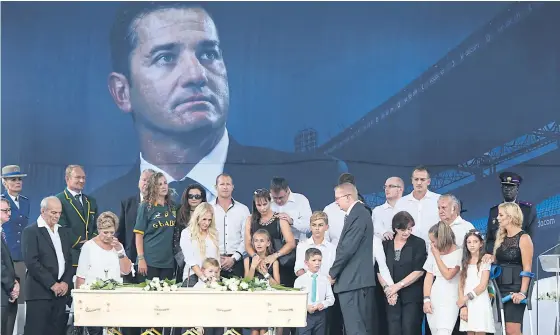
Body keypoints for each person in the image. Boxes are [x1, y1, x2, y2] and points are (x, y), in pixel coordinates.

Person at [94, 1, 344, 213]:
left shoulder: (315, 181)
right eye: (166, 58)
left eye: (208, 54)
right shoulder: (99, 208)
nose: (196, 74)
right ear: (122, 92)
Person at [329, 182, 376, 335]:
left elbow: (347, 248)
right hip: (354, 282)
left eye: (338, 198)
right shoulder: (359, 213)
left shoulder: (359, 214)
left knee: (356, 329)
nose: (336, 202)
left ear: (348, 197)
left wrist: (333, 273)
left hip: (354, 282)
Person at [76, 212, 133, 335]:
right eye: (105, 232)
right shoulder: (88, 246)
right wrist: (79, 303)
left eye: (112, 233)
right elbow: (81, 275)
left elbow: (126, 270)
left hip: (114, 298)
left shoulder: (118, 246)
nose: (108, 236)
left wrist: (120, 251)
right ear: (99, 230)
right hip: (93, 299)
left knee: (113, 332)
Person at [22, 196, 73, 335]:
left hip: (61, 295)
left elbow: (69, 260)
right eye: (53, 212)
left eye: (59, 213)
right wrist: (52, 284)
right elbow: (32, 262)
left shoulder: (63, 231)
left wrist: (65, 283)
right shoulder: (31, 231)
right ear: (42, 211)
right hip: (39, 294)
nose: (57, 216)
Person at [378, 211, 427, 335]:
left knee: (409, 328)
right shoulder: (385, 244)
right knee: (393, 329)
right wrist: (388, 290)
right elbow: (379, 270)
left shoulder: (418, 243)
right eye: (403, 229)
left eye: (410, 229)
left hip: (411, 296)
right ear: (395, 228)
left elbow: (419, 271)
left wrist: (397, 286)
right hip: (391, 297)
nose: (407, 232)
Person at [492, 202, 533, 335]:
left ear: (510, 217)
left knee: (512, 330)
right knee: (504, 328)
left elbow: (527, 267)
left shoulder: (524, 238)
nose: (497, 218)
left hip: (515, 288)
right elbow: (498, 260)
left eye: (501, 215)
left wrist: (522, 293)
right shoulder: (500, 238)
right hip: (499, 287)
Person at [245, 189, 296, 286]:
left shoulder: (280, 219)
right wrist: (256, 258)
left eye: (265, 204)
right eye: (259, 205)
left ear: (270, 201)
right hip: (258, 265)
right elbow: (247, 243)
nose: (262, 208)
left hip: (279, 264)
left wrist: (274, 256)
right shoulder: (250, 220)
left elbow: (291, 243)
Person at [134, 172, 176, 282]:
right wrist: (141, 258)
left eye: (165, 183)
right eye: (159, 184)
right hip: (150, 260)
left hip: (168, 262)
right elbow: (138, 234)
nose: (163, 186)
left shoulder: (172, 206)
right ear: (153, 187)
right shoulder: (146, 206)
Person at [56, 165, 98, 272]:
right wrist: (80, 243)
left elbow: (98, 225)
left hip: (92, 257)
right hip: (70, 256)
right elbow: (61, 227)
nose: (82, 180)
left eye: (83, 178)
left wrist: (91, 242)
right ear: (67, 179)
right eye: (78, 177)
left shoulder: (91, 201)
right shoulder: (58, 200)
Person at [423, 222, 462, 335]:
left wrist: (437, 256)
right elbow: (429, 276)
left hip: (451, 296)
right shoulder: (433, 251)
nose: (432, 244)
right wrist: (426, 299)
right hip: (435, 294)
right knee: (435, 330)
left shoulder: (459, 253)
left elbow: (448, 275)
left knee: (444, 330)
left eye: (433, 241)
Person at [485, 171, 536, 254]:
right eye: (505, 186)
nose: (507, 189)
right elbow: (490, 240)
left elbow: (531, 239)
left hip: (518, 261)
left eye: (511, 186)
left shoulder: (527, 210)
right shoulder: (494, 211)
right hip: (497, 260)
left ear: (517, 188)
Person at [117, 169, 154, 283]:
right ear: (138, 182)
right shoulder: (127, 203)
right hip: (131, 258)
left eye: (150, 181)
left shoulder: (161, 205)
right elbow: (120, 232)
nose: (146, 184)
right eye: (144, 180)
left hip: (153, 259)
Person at [1, 165, 30, 310]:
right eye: (13, 179)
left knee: (20, 298)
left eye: (20, 179)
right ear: (4, 182)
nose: (18, 182)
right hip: (5, 256)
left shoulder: (25, 202)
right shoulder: (2, 201)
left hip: (20, 256)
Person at [212, 174, 250, 279]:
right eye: (222, 184)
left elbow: (246, 238)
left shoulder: (243, 209)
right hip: (212, 262)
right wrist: (215, 257)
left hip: (237, 261)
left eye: (228, 184)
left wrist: (234, 258)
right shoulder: (208, 208)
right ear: (216, 187)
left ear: (232, 187)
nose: (225, 187)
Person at [457, 229, 495, 335]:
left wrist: (465, 297)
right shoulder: (464, 262)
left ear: (481, 243)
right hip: (467, 302)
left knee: (479, 330)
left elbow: (482, 286)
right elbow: (460, 285)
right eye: (469, 242)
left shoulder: (484, 260)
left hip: (480, 301)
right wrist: (462, 305)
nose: (472, 245)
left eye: (475, 241)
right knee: (470, 331)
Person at [394, 165, 441, 244]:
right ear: (412, 181)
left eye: (422, 179)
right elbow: (395, 225)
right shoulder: (401, 202)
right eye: (416, 179)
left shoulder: (439, 200)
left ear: (428, 181)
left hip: (433, 248)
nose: (419, 182)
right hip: (408, 249)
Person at [293, 248, 335, 335]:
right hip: (305, 315)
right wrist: (306, 307)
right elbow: (296, 300)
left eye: (319, 260)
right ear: (306, 263)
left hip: (321, 315)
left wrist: (323, 304)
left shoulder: (324, 279)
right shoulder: (300, 280)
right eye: (314, 260)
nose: (317, 263)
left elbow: (331, 298)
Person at [173, 183, 207, 281]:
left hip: (203, 256)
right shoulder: (179, 212)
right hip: (183, 259)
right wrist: (182, 259)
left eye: (197, 196)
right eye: (190, 196)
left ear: (202, 198)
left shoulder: (208, 213)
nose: (193, 198)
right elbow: (175, 239)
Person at [180, 202, 220, 284]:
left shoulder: (214, 233)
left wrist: (216, 279)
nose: (207, 223)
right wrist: (204, 278)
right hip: (192, 277)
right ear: (197, 217)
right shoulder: (187, 233)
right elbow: (190, 259)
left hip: (212, 278)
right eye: (204, 219)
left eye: (209, 220)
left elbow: (217, 259)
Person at [294, 211, 335, 277]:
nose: (317, 228)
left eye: (320, 225)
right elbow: (298, 268)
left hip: (326, 284)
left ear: (327, 227)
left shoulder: (332, 248)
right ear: (310, 227)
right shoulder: (302, 246)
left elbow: (334, 272)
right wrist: (310, 281)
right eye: (314, 225)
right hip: (306, 284)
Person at [1, 197, 19, 335]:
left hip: (7, 293)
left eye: (9, 210)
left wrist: (16, 281)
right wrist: (11, 286)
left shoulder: (2, 233)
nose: (9, 213)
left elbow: (7, 262)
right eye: (5, 210)